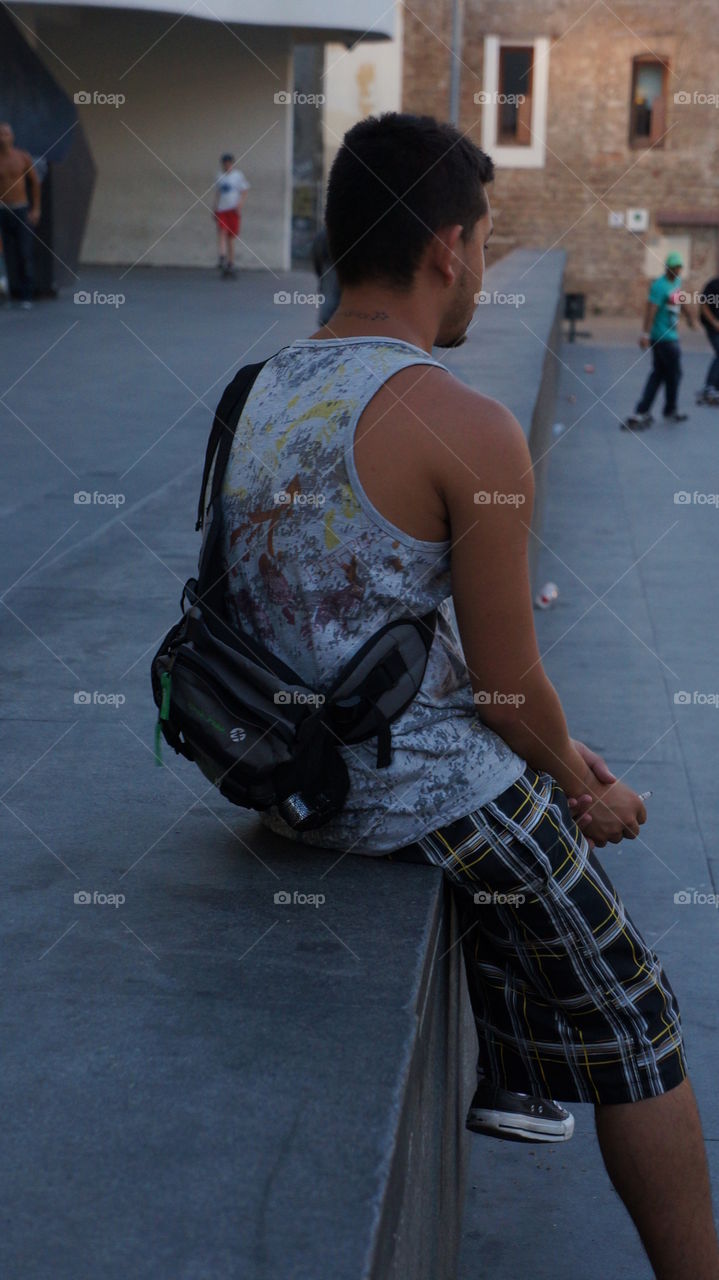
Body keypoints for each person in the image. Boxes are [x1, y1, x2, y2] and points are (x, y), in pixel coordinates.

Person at [218, 113, 719, 1279]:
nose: (484, 267)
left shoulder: (254, 389)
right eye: (485, 240)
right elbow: (503, 687)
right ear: (449, 247)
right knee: (641, 1016)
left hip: (274, 770)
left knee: (536, 773)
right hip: (401, 789)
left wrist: (551, 748)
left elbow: (321, 605)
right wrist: (590, 786)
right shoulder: (466, 423)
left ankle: (518, 1065)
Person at [623, 251, 695, 430]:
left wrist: (689, 316)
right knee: (671, 373)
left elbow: (680, 298)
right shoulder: (659, 286)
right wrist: (645, 335)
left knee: (661, 373)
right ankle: (663, 410)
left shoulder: (676, 282)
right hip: (662, 337)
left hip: (671, 335)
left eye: (679, 268)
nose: (678, 271)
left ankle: (648, 410)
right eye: (675, 268)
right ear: (668, 269)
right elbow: (651, 311)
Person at [0, 121, 41, 310]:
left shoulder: (22, 157)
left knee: (24, 252)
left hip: (21, 209)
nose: (3, 137)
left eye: (6, 134)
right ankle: (5, 292)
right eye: (1, 134)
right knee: (2, 254)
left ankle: (27, 294)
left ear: (12, 137)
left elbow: (35, 183)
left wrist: (35, 209)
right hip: (2, 210)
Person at [212, 152, 249, 279]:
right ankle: (222, 256)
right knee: (222, 231)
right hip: (222, 209)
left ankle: (230, 262)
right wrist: (215, 207)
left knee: (231, 238)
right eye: (225, 164)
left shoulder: (238, 176)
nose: (227, 166)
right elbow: (218, 193)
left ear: (232, 164)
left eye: (229, 163)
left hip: (233, 210)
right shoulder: (219, 176)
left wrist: (240, 205)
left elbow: (244, 191)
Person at [310, 225, 340, 326]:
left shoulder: (324, 234)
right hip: (332, 269)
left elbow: (316, 260)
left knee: (329, 302)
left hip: (328, 269)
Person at [696, 272, 719, 406]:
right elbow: (703, 305)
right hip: (712, 327)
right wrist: (714, 322)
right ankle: (709, 387)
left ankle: (715, 387)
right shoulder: (713, 285)